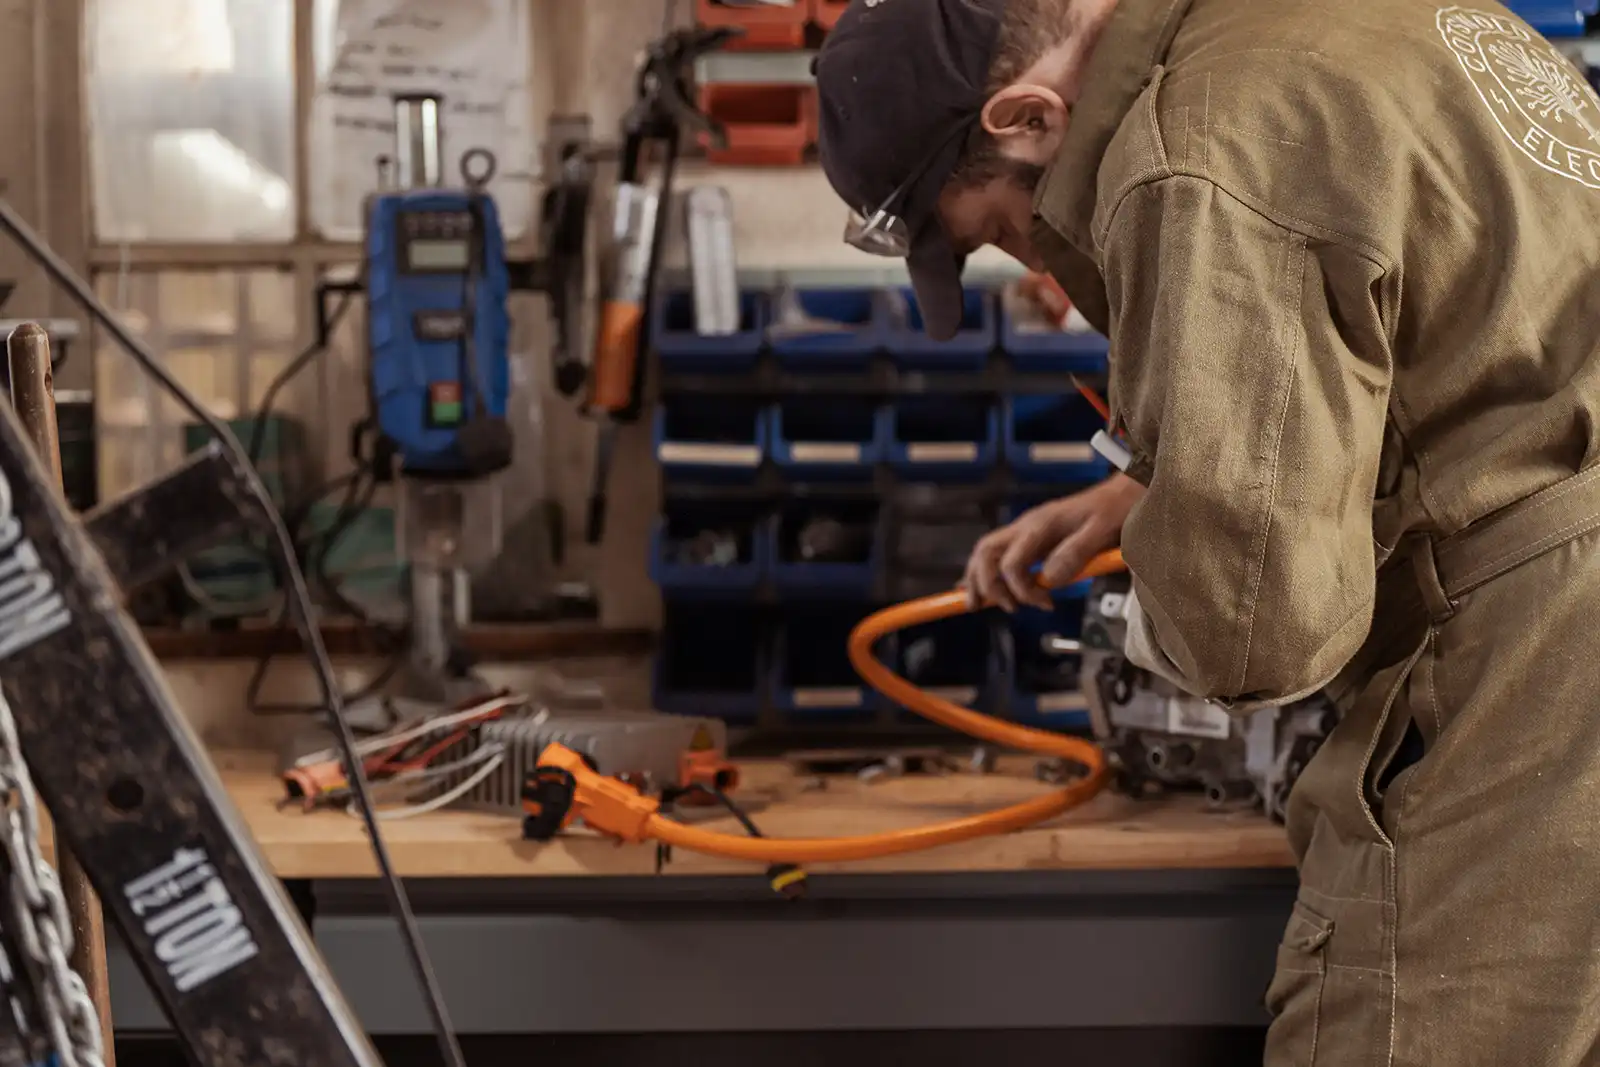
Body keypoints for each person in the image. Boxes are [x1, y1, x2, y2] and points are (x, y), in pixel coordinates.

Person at [814, 0, 1600, 1063]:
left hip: (1552, 647)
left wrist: (1159, 600)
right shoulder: (1327, 21)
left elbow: (1256, 628)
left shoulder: (1194, 146)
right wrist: (1151, 487)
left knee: (1392, 1021)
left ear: (1025, 114)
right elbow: (1442, 319)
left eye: (1008, 225)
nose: (1037, 258)